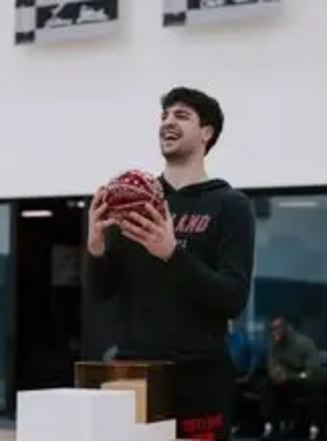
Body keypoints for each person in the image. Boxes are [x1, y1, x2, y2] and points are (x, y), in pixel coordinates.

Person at [84, 87, 256, 441]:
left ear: (206, 133)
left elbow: (233, 298)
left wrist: (172, 254)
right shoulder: (136, 201)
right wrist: (96, 247)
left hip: (199, 375)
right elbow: (101, 292)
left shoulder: (230, 205)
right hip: (134, 369)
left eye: (181, 115)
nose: (167, 122)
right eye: (164, 116)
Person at [261, 316, 322, 440]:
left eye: (278, 328)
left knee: (313, 386)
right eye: (272, 329)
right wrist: (275, 374)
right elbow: (272, 365)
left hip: (302, 380)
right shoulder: (274, 345)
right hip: (284, 382)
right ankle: (271, 426)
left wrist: (291, 377)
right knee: (268, 384)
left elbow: (312, 371)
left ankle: (314, 427)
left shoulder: (305, 344)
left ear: (287, 328)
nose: (274, 332)